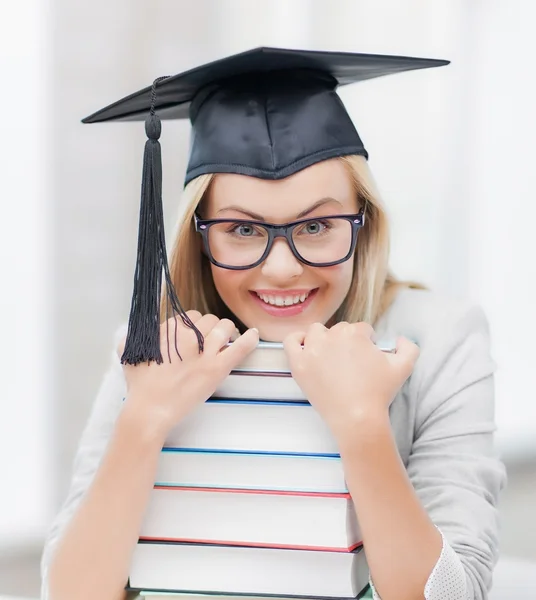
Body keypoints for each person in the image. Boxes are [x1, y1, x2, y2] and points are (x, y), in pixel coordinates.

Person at [41, 48, 506, 600]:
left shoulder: (439, 336)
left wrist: (361, 424)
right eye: (241, 230)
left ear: (364, 222)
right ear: (200, 236)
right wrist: (145, 418)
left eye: (316, 226)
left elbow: (457, 595)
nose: (281, 269)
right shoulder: (154, 344)